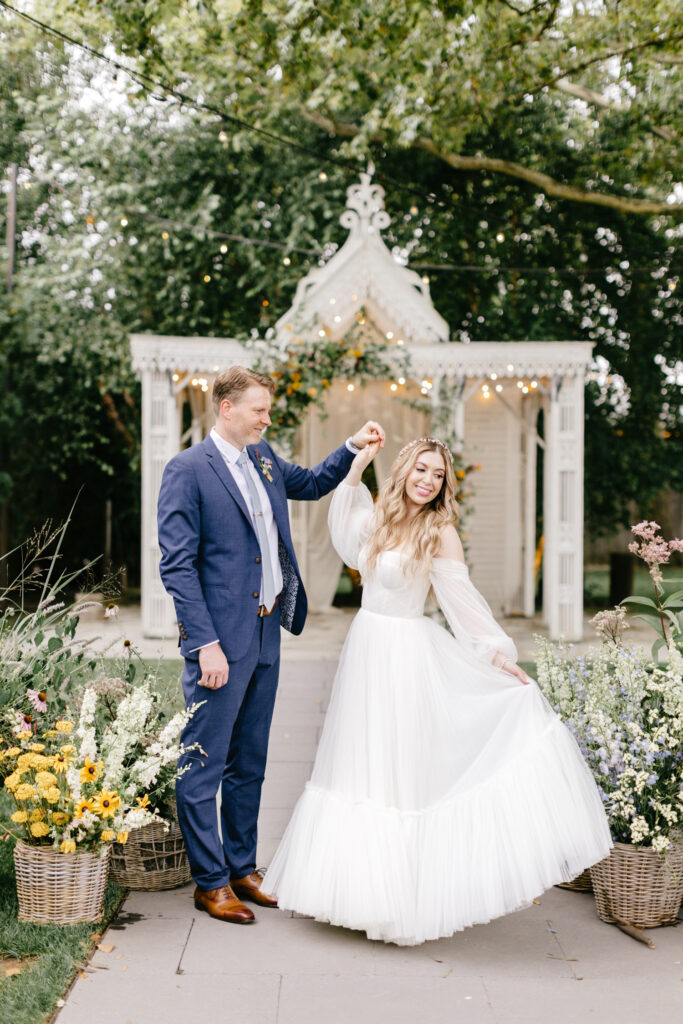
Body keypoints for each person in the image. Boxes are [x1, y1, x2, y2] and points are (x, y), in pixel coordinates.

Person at [262, 437, 612, 945]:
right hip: (366, 651)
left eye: (438, 475)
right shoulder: (380, 519)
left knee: (400, 772)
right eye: (422, 469)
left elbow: (460, 602)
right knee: (360, 764)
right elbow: (345, 524)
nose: (428, 480)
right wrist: (356, 465)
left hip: (406, 655)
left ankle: (399, 901)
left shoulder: (440, 531)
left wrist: (497, 655)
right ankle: (354, 893)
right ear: (404, 470)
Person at [157, 365, 385, 924]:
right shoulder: (187, 470)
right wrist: (204, 643)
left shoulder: (262, 459)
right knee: (203, 763)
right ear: (226, 408)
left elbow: (307, 483)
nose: (267, 417)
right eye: (258, 409)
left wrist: (352, 446)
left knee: (250, 762)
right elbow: (177, 566)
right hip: (219, 641)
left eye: (266, 409)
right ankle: (209, 883)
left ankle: (242, 868)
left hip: (265, 633)